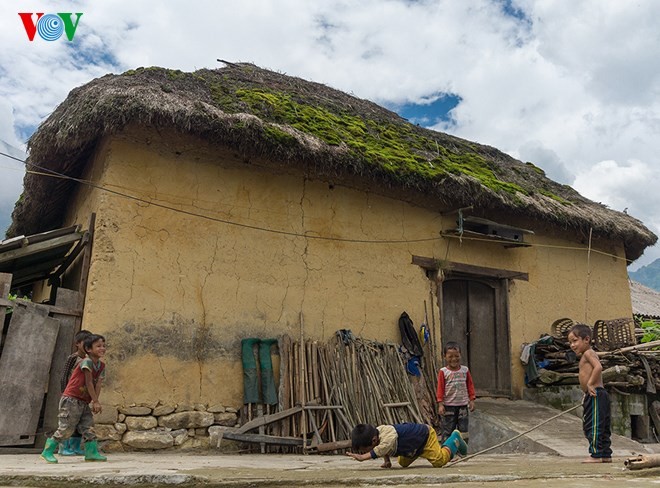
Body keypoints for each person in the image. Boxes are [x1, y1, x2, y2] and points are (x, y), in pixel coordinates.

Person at [40, 334, 107, 463]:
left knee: (88, 426)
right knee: (66, 427)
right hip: (71, 399)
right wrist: (96, 401)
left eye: (104, 346)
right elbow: (88, 382)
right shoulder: (86, 362)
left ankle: (91, 453)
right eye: (98, 346)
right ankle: (47, 451)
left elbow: (98, 384)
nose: (102, 348)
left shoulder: (101, 366)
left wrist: (94, 401)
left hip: (83, 401)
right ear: (88, 349)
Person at [567, 323, 612, 463]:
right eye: (570, 342)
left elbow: (598, 367)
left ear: (586, 339)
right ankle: (605, 454)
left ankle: (596, 455)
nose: (572, 345)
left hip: (596, 393)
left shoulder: (588, 353)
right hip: (593, 394)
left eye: (575, 341)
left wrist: (591, 384)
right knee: (600, 424)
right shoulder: (586, 354)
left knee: (594, 425)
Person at [347, 422, 467, 468]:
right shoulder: (377, 433)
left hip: (425, 438)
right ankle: (448, 446)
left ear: (373, 440)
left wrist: (363, 458)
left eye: (365, 450)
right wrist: (387, 461)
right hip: (412, 447)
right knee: (402, 463)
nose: (364, 453)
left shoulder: (387, 438)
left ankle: (455, 438)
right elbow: (383, 449)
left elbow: (380, 449)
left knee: (439, 461)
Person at [58, 329, 92, 456]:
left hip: (81, 397)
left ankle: (75, 446)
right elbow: (64, 375)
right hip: (70, 396)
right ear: (77, 343)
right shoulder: (73, 358)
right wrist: (64, 392)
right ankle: (63, 447)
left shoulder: (88, 360)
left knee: (78, 422)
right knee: (68, 421)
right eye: (85, 343)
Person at [436, 341, 476, 442]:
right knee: (448, 430)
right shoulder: (443, 372)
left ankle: (463, 452)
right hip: (449, 406)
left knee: (463, 430)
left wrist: (472, 400)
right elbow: (440, 388)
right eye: (450, 356)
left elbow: (470, 385)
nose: (454, 359)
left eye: (456, 356)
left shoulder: (465, 370)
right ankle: (447, 453)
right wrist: (440, 404)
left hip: (463, 406)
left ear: (460, 355)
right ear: (445, 357)